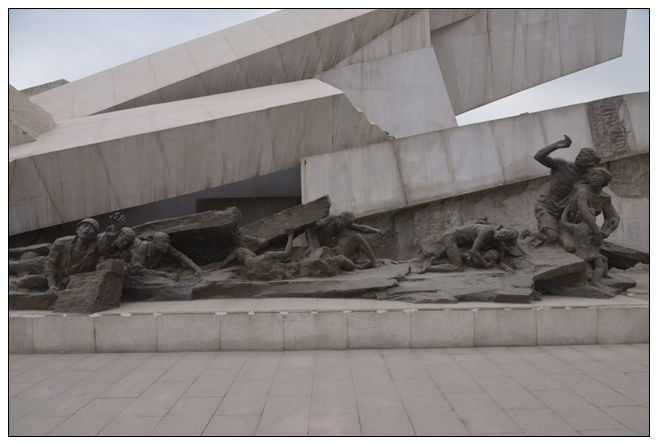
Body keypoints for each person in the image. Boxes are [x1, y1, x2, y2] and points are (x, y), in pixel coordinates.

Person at [534, 135, 602, 243]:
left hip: (565, 214)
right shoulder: (562, 165)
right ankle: (530, 235)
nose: (579, 156)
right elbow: (538, 157)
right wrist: (556, 145)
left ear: (591, 163)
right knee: (552, 237)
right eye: (579, 154)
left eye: (584, 155)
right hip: (546, 207)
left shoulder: (587, 179)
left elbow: (595, 196)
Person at [559, 167, 619, 286]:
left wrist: (606, 230)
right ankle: (580, 274)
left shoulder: (605, 198)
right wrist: (597, 233)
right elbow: (585, 214)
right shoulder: (582, 192)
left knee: (596, 255)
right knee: (569, 247)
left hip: (588, 230)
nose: (594, 178)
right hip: (571, 228)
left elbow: (613, 217)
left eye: (598, 176)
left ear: (605, 181)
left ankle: (600, 276)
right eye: (592, 175)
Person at [45, 212, 126, 291]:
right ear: (77, 229)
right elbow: (50, 265)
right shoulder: (61, 243)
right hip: (60, 279)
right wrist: (52, 285)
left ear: (94, 235)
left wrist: (116, 227)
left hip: (79, 281)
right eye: (84, 226)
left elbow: (108, 237)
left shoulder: (96, 245)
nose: (87, 229)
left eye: (91, 228)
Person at [416, 222, 519, 273]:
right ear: (502, 229)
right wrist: (486, 264)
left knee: (460, 257)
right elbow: (473, 251)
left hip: (460, 243)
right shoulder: (487, 230)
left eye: (505, 236)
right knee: (457, 266)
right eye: (504, 232)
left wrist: (508, 269)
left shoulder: (498, 243)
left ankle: (438, 260)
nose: (502, 235)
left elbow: (501, 261)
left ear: (505, 240)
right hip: (450, 237)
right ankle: (428, 267)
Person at [305, 211, 383, 268]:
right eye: (342, 224)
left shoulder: (345, 222)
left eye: (345, 226)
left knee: (358, 237)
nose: (342, 227)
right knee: (339, 258)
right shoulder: (329, 220)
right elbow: (310, 228)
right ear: (340, 217)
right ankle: (357, 266)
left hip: (339, 252)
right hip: (326, 255)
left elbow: (361, 228)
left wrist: (376, 231)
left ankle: (373, 262)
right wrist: (313, 249)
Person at [128, 231, 203, 279]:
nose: (166, 245)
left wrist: (196, 267)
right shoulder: (143, 247)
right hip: (136, 273)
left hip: (153, 269)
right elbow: (137, 271)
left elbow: (180, 256)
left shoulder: (164, 246)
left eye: (167, 242)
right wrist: (165, 275)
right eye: (164, 242)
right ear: (155, 242)